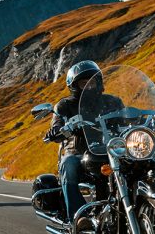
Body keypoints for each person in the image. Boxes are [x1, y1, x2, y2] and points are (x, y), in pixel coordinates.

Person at [44, 60, 122, 222]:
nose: (88, 86)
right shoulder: (65, 105)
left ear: (99, 82)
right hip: (79, 152)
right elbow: (57, 123)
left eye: (92, 81)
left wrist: (145, 118)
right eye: (83, 83)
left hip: (111, 150)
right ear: (74, 86)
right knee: (68, 165)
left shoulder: (112, 102)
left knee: (140, 163)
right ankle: (79, 220)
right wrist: (57, 130)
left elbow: (126, 118)